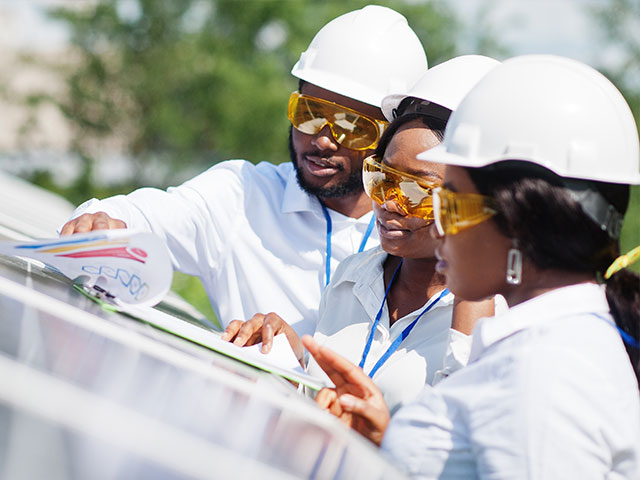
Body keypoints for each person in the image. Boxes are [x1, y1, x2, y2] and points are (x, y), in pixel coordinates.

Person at [303, 55, 640, 478]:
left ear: (519, 218)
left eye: (451, 203)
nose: (439, 226)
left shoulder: (545, 371)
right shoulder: (547, 345)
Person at [59, 6, 428, 337]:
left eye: (353, 126)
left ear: (390, 136)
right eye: (310, 113)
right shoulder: (243, 197)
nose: (323, 140)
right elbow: (137, 217)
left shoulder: (417, 235)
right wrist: (99, 223)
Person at [223, 56, 502, 415]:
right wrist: (291, 367)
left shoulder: (497, 318)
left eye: (416, 192)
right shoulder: (353, 277)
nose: (388, 202)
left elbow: (461, 443)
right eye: (383, 178)